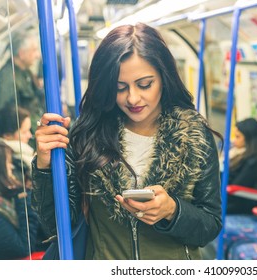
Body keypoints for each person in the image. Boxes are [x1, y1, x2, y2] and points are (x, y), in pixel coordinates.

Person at [31, 23, 222, 260]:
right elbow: (57, 225)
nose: (133, 98)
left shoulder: (194, 136)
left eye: (145, 85)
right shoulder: (87, 135)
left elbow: (210, 225)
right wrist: (45, 166)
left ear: (164, 78)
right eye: (120, 88)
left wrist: (172, 210)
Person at [0, 105, 50, 251]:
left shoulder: (22, 156)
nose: (30, 135)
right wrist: (23, 195)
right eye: (24, 132)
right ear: (7, 136)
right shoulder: (13, 162)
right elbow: (23, 244)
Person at [0, 29, 45, 146]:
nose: (37, 55)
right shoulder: (7, 78)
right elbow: (6, 120)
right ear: (21, 53)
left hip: (35, 131)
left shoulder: (25, 72)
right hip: (25, 139)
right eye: (34, 50)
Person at [0, 136, 39, 259]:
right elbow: (22, 248)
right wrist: (23, 198)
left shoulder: (0, 197)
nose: (11, 167)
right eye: (8, 162)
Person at [225, 118, 257, 214]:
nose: (234, 141)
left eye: (238, 137)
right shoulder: (245, 155)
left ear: (249, 138)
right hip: (232, 198)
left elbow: (236, 187)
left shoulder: (254, 162)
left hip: (240, 203)